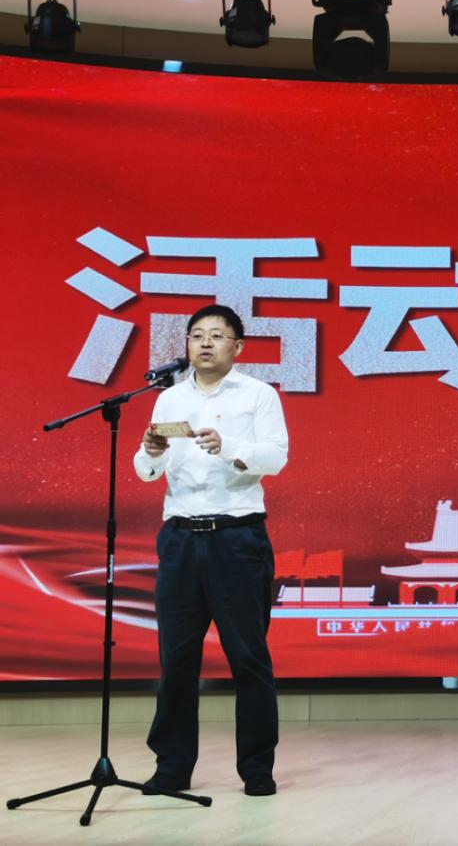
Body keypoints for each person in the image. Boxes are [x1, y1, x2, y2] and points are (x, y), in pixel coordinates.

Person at [133, 304, 287, 797]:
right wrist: (150, 454)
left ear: (237, 347)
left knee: (248, 658)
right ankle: (172, 767)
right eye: (196, 335)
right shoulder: (169, 398)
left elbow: (276, 457)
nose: (204, 343)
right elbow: (147, 469)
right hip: (180, 538)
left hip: (236, 539)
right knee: (176, 661)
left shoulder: (258, 395)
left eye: (217, 335)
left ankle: (257, 768)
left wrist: (230, 446)